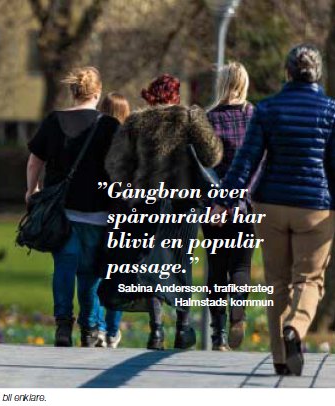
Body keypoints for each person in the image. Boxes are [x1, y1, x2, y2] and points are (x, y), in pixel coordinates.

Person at [213, 45, 335, 376]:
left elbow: (246, 160)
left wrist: (223, 201)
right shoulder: (331, 111)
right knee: (309, 279)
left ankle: (281, 358)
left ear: (287, 73)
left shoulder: (267, 109)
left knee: (277, 281)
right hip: (315, 207)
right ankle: (295, 327)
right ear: (318, 74)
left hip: (270, 204)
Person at [103, 73, 222, 351]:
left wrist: (129, 191)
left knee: (152, 263)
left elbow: (115, 164)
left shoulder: (136, 122)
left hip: (147, 203)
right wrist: (198, 118)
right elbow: (212, 155)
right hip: (184, 204)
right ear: (176, 95)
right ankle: (183, 328)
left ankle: (156, 330)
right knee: (182, 262)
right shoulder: (189, 117)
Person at [25, 67, 121, 347]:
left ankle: (63, 325)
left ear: (73, 91)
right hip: (98, 212)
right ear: (98, 92)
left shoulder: (54, 121)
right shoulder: (109, 126)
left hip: (62, 212)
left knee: (64, 269)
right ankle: (89, 328)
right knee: (91, 274)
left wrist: (32, 191)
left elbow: (34, 161)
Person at [202, 62, 256, 351]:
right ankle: (238, 313)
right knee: (241, 265)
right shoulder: (253, 116)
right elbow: (259, 162)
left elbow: (203, 166)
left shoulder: (208, 119)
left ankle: (218, 333)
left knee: (216, 267)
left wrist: (216, 201)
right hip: (246, 204)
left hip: (215, 206)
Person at [94, 92, 130, 348]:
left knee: (95, 272)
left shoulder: (93, 137)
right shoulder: (128, 141)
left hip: (96, 212)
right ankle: (112, 330)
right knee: (117, 274)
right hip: (121, 216)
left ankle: (97, 325)